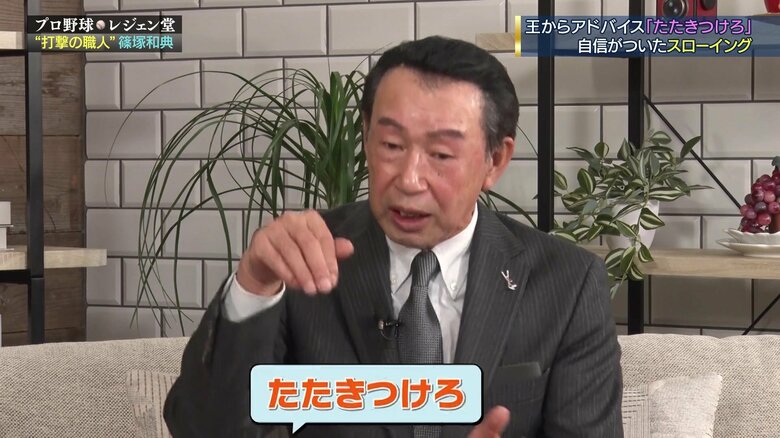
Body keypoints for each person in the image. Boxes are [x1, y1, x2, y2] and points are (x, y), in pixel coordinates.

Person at [164, 35, 623, 438]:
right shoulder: (302, 262)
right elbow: (202, 429)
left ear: (495, 161)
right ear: (366, 137)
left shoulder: (568, 284)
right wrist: (253, 286)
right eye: (391, 145)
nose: (409, 179)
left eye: (441, 154)